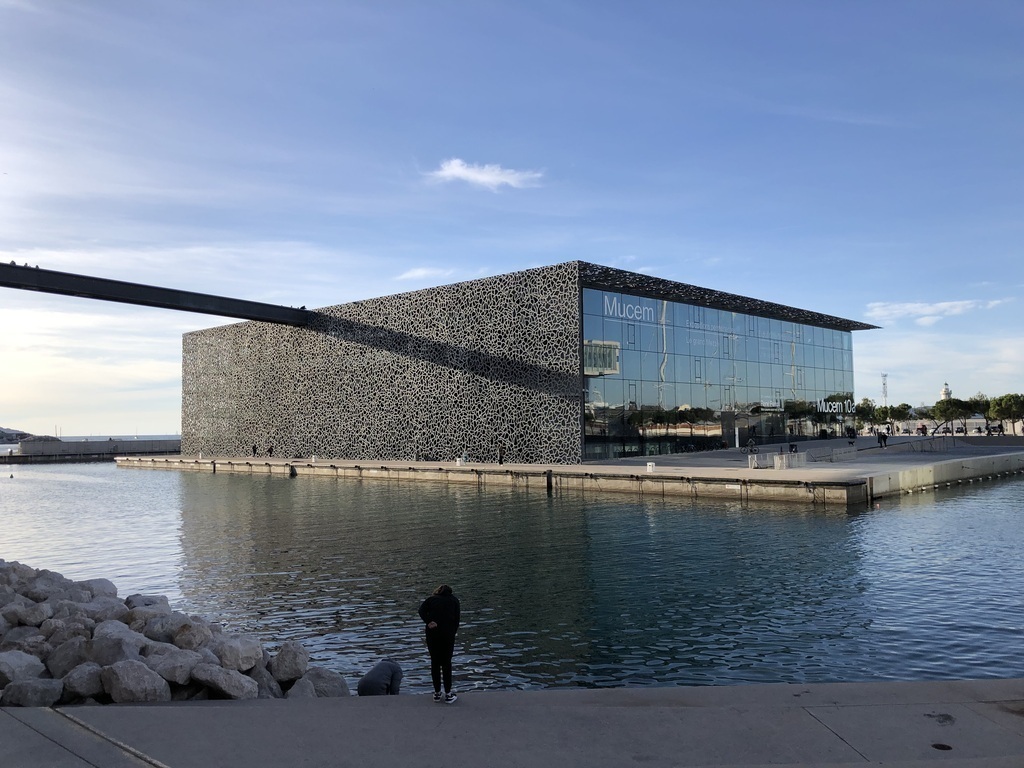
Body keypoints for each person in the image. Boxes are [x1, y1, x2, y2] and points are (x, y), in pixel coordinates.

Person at [418, 584, 461, 703]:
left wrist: (429, 622)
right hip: (448, 636)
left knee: (435, 663)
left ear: (438, 591)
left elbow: (421, 611)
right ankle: (448, 694)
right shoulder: (454, 600)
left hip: (432, 635)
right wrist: (452, 632)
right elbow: (457, 619)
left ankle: (437, 693)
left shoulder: (431, 600)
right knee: (447, 663)